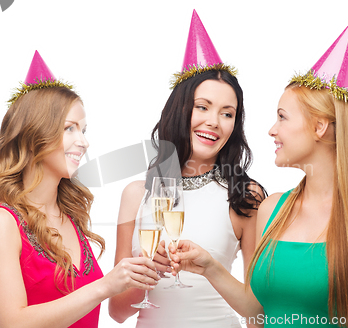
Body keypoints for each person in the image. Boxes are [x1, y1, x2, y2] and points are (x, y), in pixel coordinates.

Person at [169, 19, 348, 328]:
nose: (272, 130)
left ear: (319, 127)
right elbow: (258, 312)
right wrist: (210, 267)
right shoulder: (272, 209)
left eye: (282, 117)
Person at [0, 51, 159, 328]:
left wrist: (139, 274)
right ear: (34, 133)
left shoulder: (69, 216)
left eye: (84, 130)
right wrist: (105, 286)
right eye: (69, 129)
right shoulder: (0, 222)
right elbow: (14, 323)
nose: (83, 142)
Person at [108, 10, 265, 328]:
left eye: (227, 113)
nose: (214, 122)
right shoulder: (136, 195)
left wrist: (210, 267)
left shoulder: (245, 196)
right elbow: (118, 312)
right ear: (180, 110)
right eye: (203, 107)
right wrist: (148, 270)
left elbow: (260, 315)